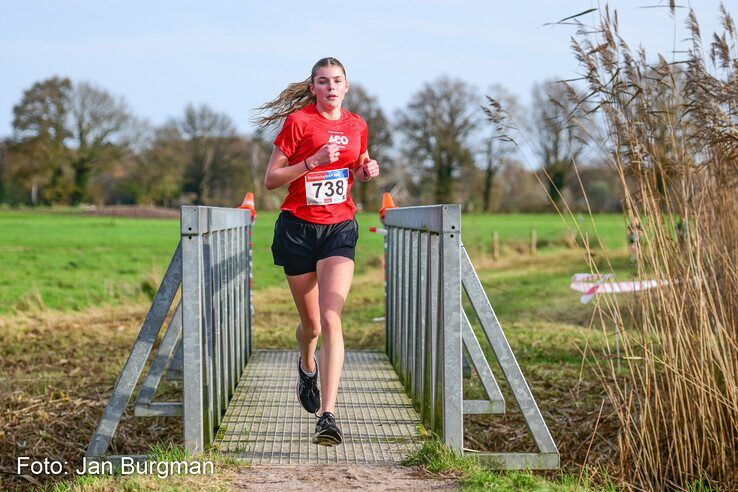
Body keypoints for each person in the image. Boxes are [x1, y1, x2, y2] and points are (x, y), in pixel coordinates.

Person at [256, 57, 380, 446]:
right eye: (322, 81)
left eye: (337, 81)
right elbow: (271, 180)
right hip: (297, 228)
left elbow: (357, 163)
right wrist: (310, 162)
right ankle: (306, 366)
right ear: (313, 87)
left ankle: (327, 416)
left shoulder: (357, 125)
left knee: (331, 317)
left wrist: (365, 170)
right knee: (310, 326)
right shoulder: (298, 123)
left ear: (346, 87)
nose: (330, 87)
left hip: (339, 228)